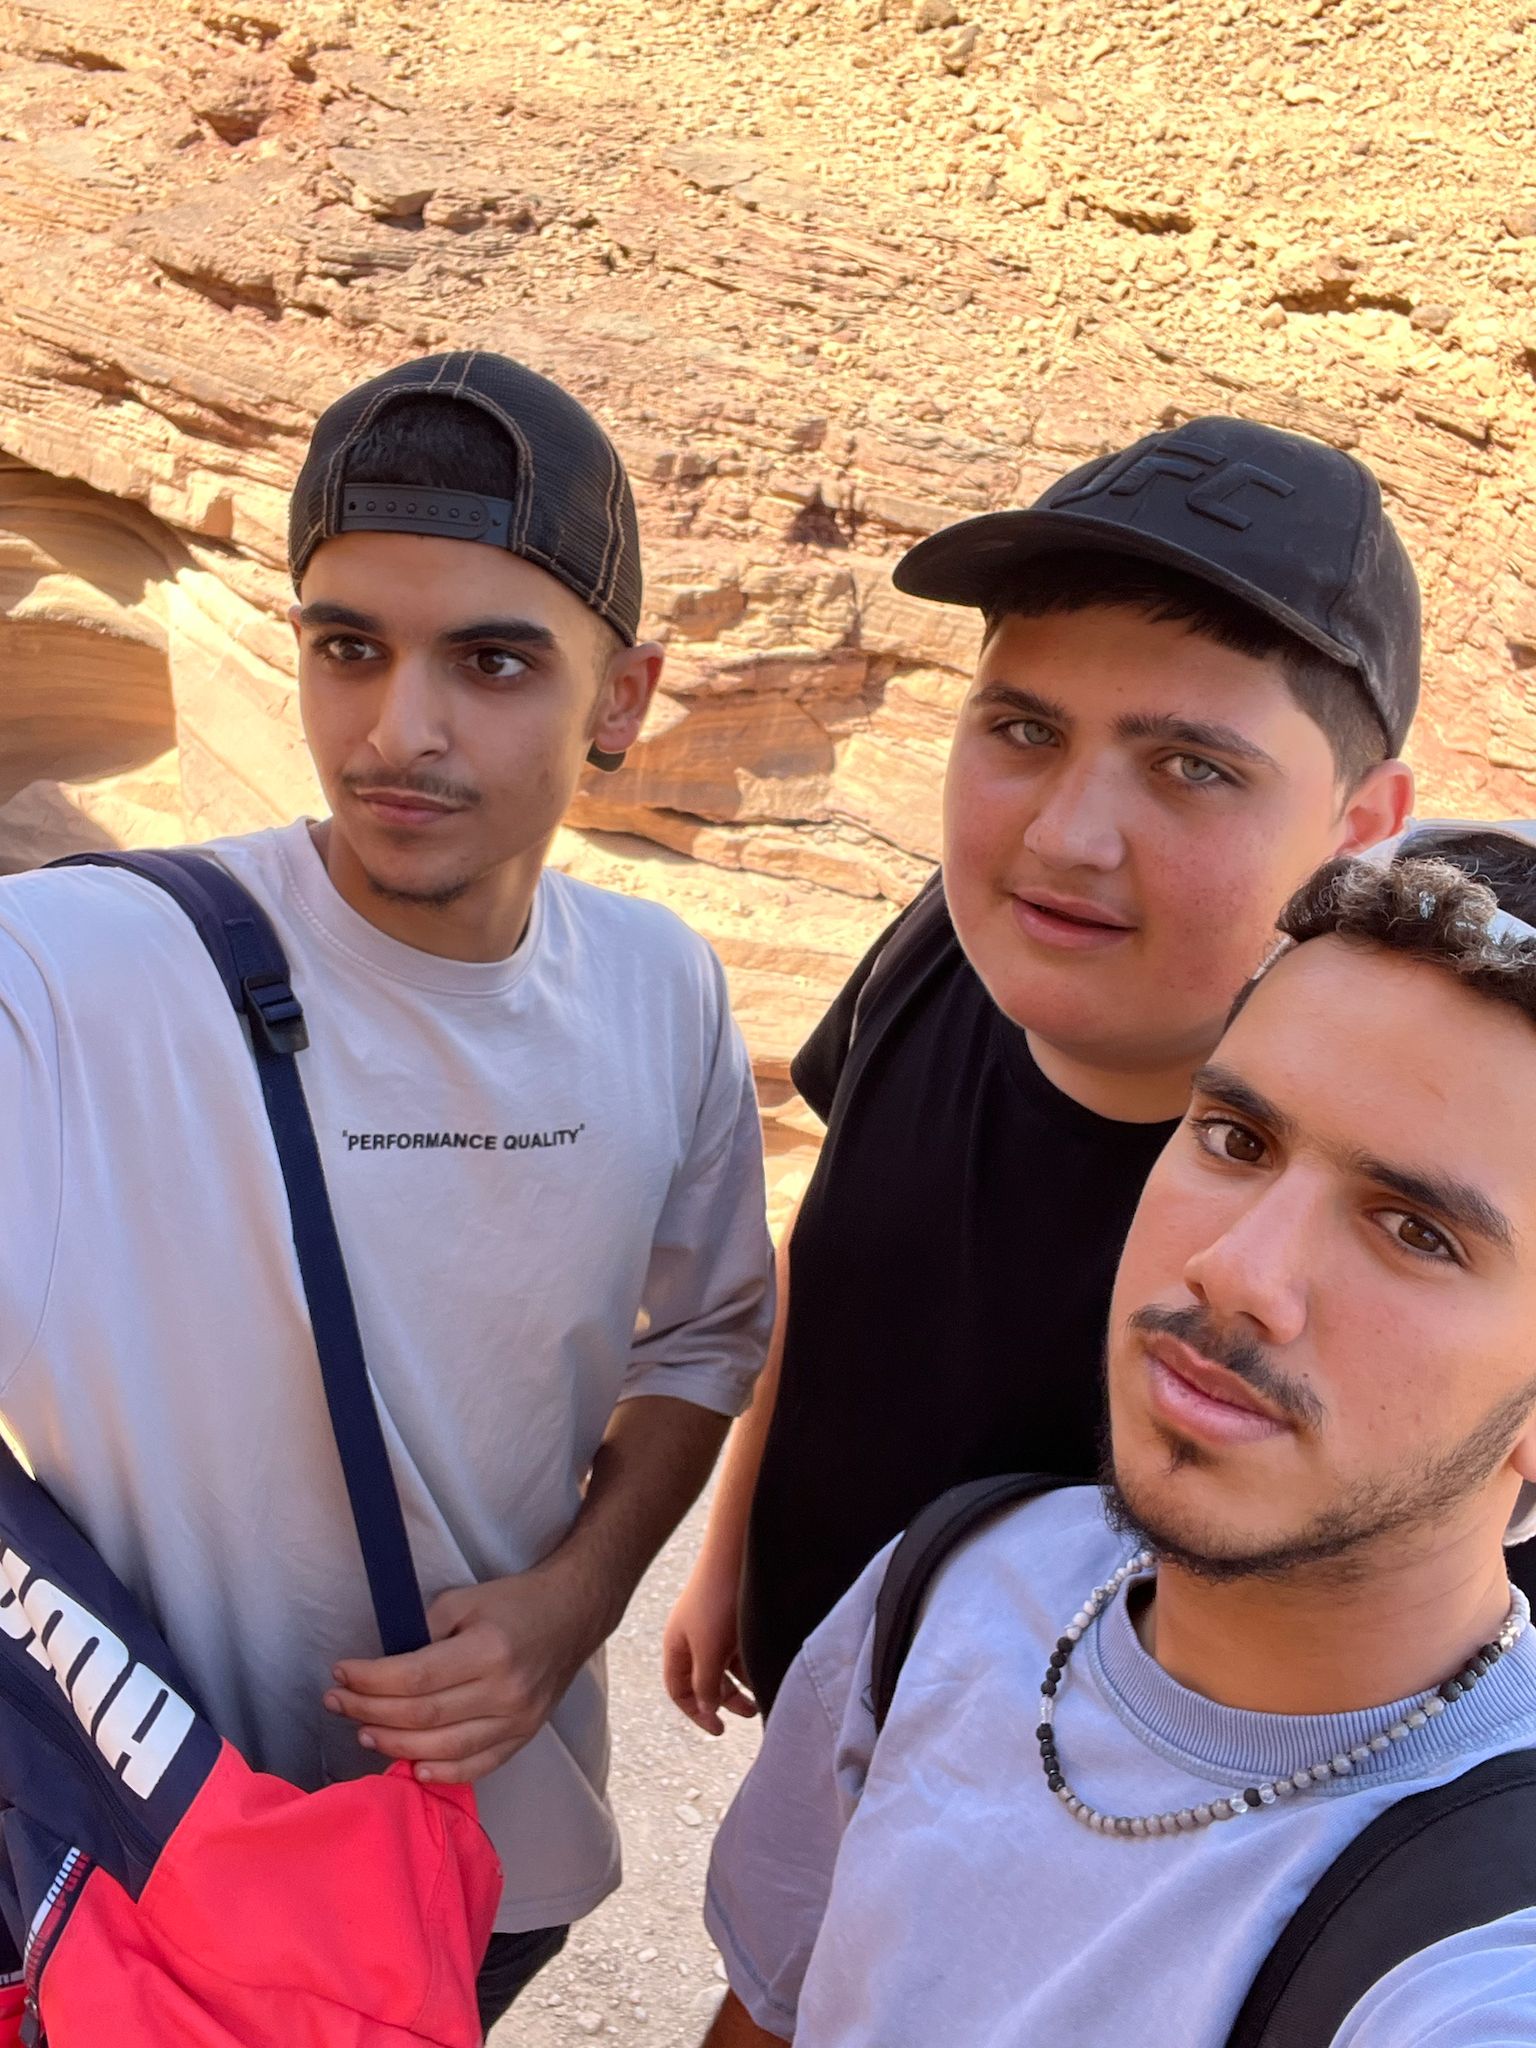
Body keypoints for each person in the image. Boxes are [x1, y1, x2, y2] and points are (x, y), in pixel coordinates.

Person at [0, 351, 774, 2032]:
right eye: (347, 647)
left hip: (487, 1871)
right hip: (160, 1887)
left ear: (624, 697)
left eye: (493, 662)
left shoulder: (661, 988)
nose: (397, 731)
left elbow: (709, 1333)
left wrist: (577, 1599)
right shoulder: (78, 980)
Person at [702, 845, 1536, 2046]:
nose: (1237, 1269)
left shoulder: (1480, 1949)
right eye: (1237, 1138)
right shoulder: (952, 1582)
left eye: (1416, 1230)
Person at [665, 416, 1419, 1728]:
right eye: (1023, 729)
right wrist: (730, 1547)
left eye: (1192, 767)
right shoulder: (946, 944)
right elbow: (829, 1244)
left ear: (1357, 829)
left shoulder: (1353, 1218)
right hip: (811, 1715)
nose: (1068, 838)